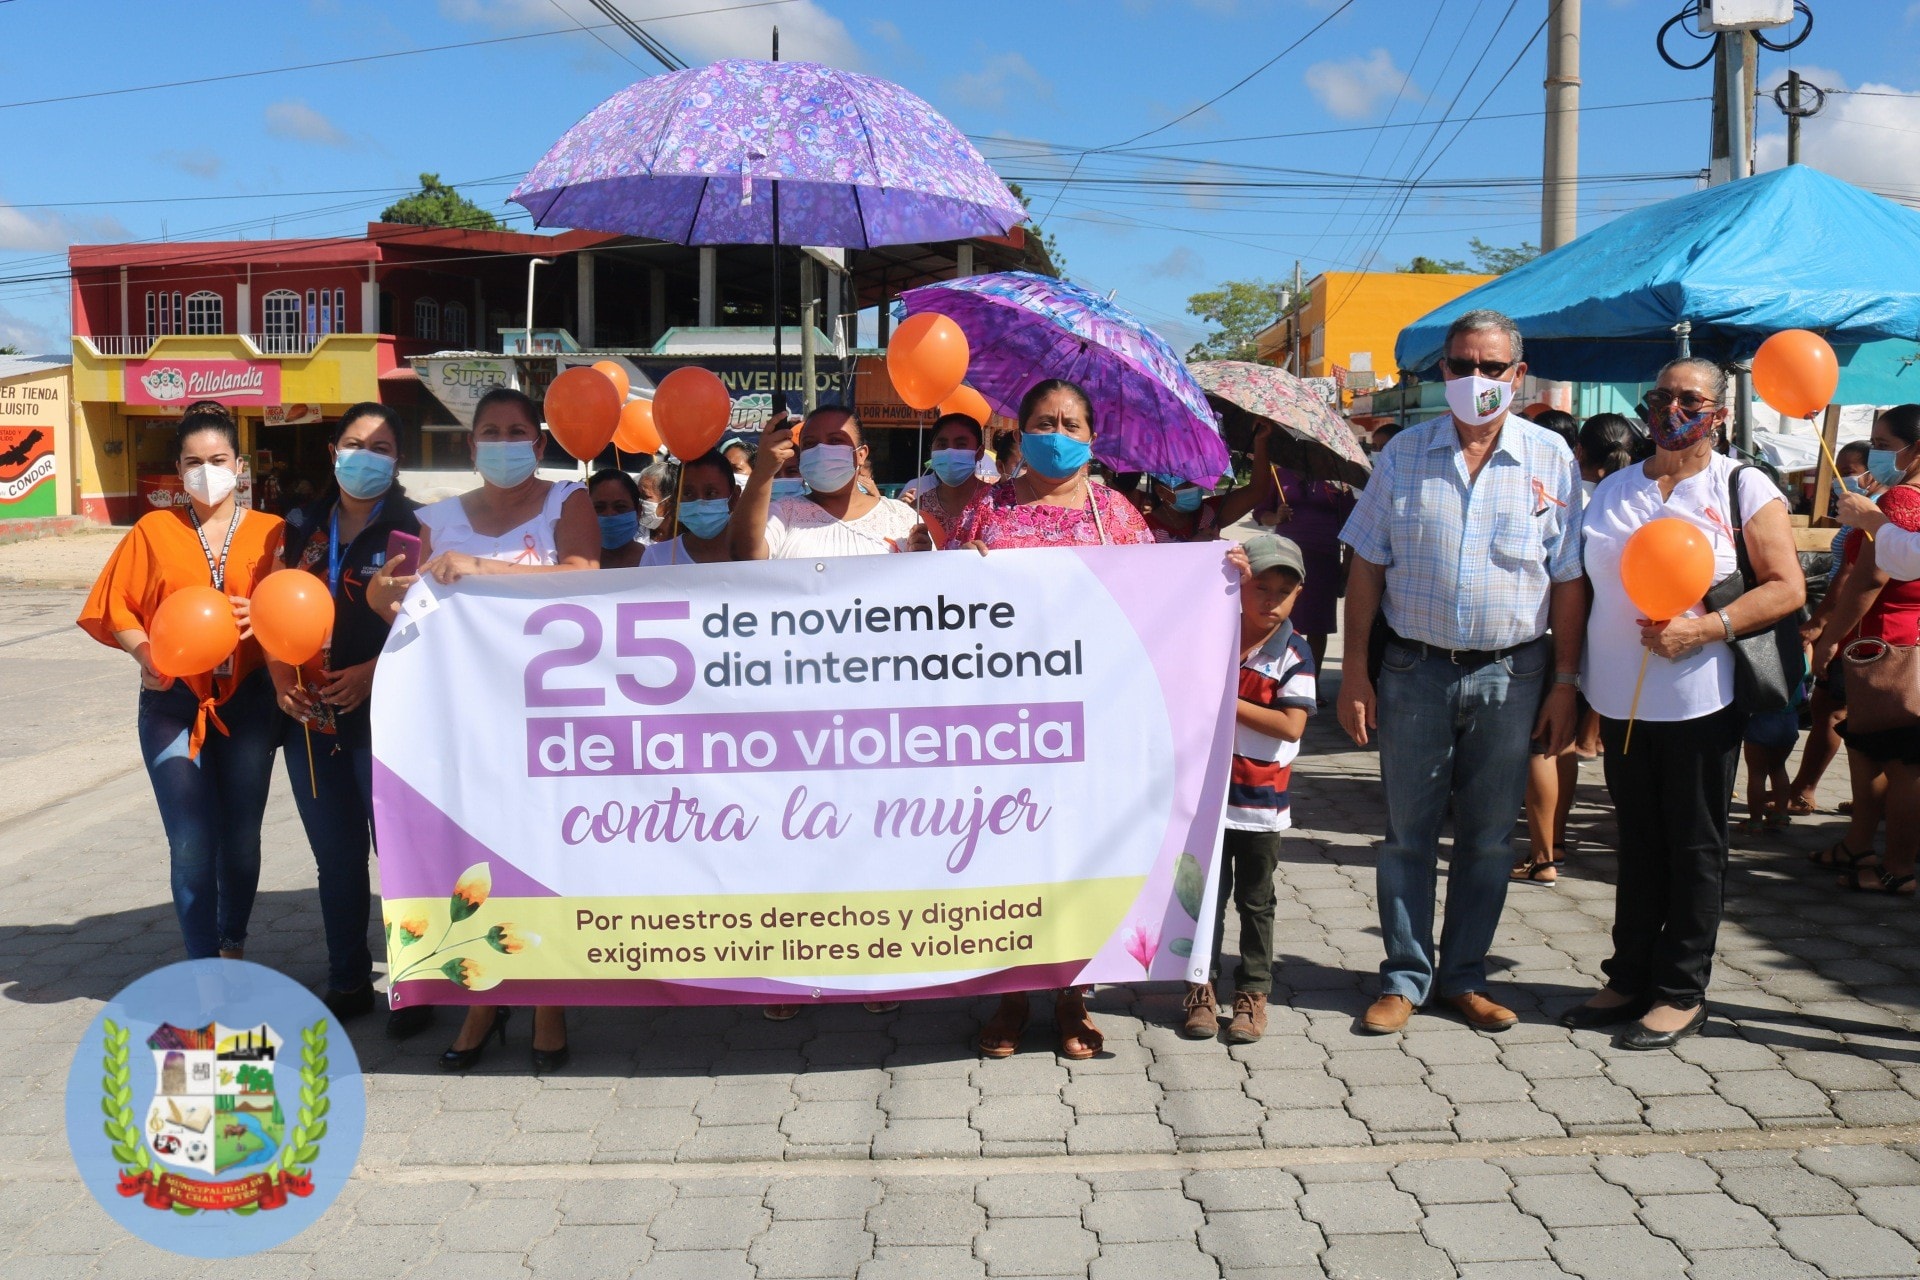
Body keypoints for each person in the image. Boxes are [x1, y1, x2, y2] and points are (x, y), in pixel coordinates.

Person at [1337, 310, 1585, 1036]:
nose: (1475, 379)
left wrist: (1566, 683)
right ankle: (1405, 977)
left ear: (1518, 372)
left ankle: (1465, 977)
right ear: (1442, 372)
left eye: (1491, 366)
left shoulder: (1551, 460)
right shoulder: (1403, 455)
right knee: (1407, 835)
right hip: (1414, 671)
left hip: (1515, 676)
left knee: (1486, 840)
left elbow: (1569, 579)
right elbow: (1366, 567)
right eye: (1460, 366)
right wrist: (1355, 672)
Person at [1560, 357, 1804, 1049]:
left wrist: (1706, 628)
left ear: (1719, 412)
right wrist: (1570, 680)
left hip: (1703, 700)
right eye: (1660, 396)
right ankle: (1628, 974)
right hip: (1620, 699)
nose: (1671, 409)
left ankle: (1680, 990)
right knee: (1636, 843)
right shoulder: (1612, 490)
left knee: (1694, 846)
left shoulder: (1740, 486)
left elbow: (1787, 587)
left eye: (1689, 399)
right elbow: (1584, 583)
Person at [367, 385, 598, 1073]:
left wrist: (483, 570)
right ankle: (482, 997)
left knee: (546, 853)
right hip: (467, 717)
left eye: (516, 430)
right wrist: (387, 606)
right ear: (471, 447)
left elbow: (584, 580)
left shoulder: (568, 502)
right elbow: (426, 627)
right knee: (475, 859)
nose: (503, 442)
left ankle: (549, 996)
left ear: (539, 442)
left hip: (553, 715)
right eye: (489, 432)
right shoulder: (436, 519)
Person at [941, 379, 1156, 1060]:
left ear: (1092, 438)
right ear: (1019, 433)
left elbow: (1161, 603)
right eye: (1042, 422)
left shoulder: (1115, 515)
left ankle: (1072, 996)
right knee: (1011, 857)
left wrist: (1223, 574)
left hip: (1092, 719)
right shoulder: (988, 509)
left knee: (1080, 859)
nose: (1056, 434)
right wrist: (957, 569)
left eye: (1070, 424)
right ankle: (1011, 995)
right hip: (1003, 721)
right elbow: (944, 608)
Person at [77, 405, 285, 961]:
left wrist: (259, 617)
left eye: (218, 459)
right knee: (192, 844)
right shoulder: (153, 530)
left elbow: (296, 621)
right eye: (194, 461)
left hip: (248, 702)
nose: (207, 470)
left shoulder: (274, 533)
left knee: (240, 843)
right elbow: (116, 606)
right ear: (178, 468)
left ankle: (231, 945)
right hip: (172, 703)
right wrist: (145, 654)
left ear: (240, 465)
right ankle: (201, 967)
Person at [732, 404, 918, 1019]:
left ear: (863, 454)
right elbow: (744, 559)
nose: (824, 451)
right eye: (811, 443)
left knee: (876, 844)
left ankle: (876, 969)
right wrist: (761, 474)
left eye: (839, 441)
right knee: (795, 844)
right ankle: (793, 972)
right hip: (795, 716)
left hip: (880, 718)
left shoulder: (903, 520)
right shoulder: (782, 515)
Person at [267, 403, 427, 1033]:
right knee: (335, 858)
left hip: (388, 719)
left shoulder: (413, 527)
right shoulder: (300, 527)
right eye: (355, 443)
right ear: (334, 450)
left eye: (382, 446)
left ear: (398, 461)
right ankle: (348, 979)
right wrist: (283, 681)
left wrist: (370, 673)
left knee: (402, 856)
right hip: (312, 721)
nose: (366, 456)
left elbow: (429, 627)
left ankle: (416, 985)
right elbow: (274, 610)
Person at [1182, 534, 1314, 1045]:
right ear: (1239, 585)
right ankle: (1200, 988)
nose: (1271, 601)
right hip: (1206, 801)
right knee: (1206, 897)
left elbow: (1291, 725)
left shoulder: (1294, 652)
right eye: (1260, 586)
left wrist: (1222, 696)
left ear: (1300, 595)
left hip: (1260, 805)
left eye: (1285, 591)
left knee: (1256, 902)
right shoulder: (1211, 633)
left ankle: (1253, 993)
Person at [1514, 414, 1639, 885]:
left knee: (1541, 748)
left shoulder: (1564, 496)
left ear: (1578, 453)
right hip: (1601, 637)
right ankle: (1557, 843)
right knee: (1562, 745)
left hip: (1552, 634)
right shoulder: (1624, 498)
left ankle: (1543, 855)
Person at [1810, 405, 1920, 896]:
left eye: (1882, 443)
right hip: (1889, 637)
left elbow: (1869, 577)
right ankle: (1860, 844)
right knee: (1868, 745)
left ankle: (1899, 867)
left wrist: (1830, 635)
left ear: (1914, 449)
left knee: (1901, 761)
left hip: (1890, 642)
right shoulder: (1894, 497)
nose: (1874, 452)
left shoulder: (1901, 498)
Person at [1787, 441, 1873, 816]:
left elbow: (1849, 577)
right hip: (1861, 629)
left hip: (1856, 631)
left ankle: (1804, 791)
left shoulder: (1871, 515)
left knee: (1830, 711)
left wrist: (1820, 628)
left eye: (1850, 469)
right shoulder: (1867, 513)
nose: (1842, 478)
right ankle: (1871, 799)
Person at [1253, 457, 1358, 675]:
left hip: (1325, 560)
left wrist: (1346, 569)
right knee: (1281, 618)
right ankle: (1274, 677)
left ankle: (1312, 681)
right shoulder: (1279, 476)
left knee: (1319, 625)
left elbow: (1353, 528)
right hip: (1286, 561)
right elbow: (1261, 514)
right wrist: (1276, 516)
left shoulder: (1339, 483)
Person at [1146, 423, 1275, 545]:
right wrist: (1192, 545)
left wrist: (1260, 442)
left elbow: (1258, 491)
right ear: (1161, 491)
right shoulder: (1145, 528)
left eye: (1196, 481)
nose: (1194, 488)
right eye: (1186, 484)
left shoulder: (1208, 513)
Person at [898, 412, 988, 535]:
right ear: (932, 452)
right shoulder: (918, 509)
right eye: (942, 445)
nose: (950, 451)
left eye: (961, 444)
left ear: (979, 452)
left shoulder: (1000, 502)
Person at [641, 451, 735, 565]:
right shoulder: (656, 558)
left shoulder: (754, 555)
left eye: (711, 493)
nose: (700, 502)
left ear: (734, 497)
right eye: (688, 493)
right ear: (676, 498)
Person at [589, 468, 647, 569]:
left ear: (638, 511)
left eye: (620, 507)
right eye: (599, 508)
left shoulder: (657, 561)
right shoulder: (574, 567)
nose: (609, 514)